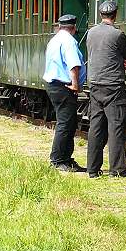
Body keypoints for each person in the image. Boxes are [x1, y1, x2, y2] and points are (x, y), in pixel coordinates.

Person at [85, 0, 126, 178]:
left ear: (101, 15)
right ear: (115, 15)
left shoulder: (91, 33)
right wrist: (122, 60)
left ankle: (92, 169)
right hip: (113, 86)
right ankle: (117, 169)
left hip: (95, 85)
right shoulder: (117, 34)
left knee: (96, 127)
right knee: (116, 126)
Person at [41, 14, 86, 172]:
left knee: (68, 122)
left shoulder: (55, 39)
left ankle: (66, 159)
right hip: (63, 86)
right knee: (66, 123)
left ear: (60, 27)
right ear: (73, 28)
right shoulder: (69, 41)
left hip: (54, 85)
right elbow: (74, 64)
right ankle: (58, 160)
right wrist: (75, 85)